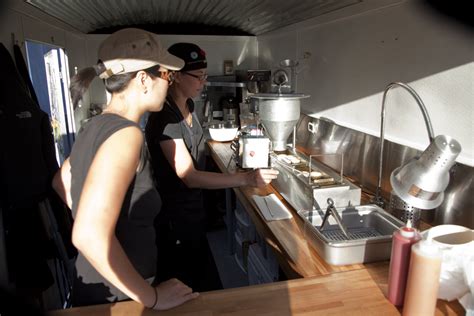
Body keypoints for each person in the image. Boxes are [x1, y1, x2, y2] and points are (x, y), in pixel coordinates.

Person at [51, 28, 199, 309]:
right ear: (144, 79)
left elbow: (61, 181)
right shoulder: (127, 135)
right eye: (166, 75)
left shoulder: (93, 125)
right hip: (118, 295)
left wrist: (92, 211)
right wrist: (151, 297)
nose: (169, 84)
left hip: (97, 284)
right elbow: (87, 234)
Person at [145, 43, 279, 291]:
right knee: (184, 284)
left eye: (205, 76)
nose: (203, 82)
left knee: (199, 276)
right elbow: (189, 176)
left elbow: (197, 145)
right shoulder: (165, 118)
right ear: (174, 76)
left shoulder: (189, 106)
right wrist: (246, 179)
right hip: (174, 217)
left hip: (192, 209)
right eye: (199, 77)